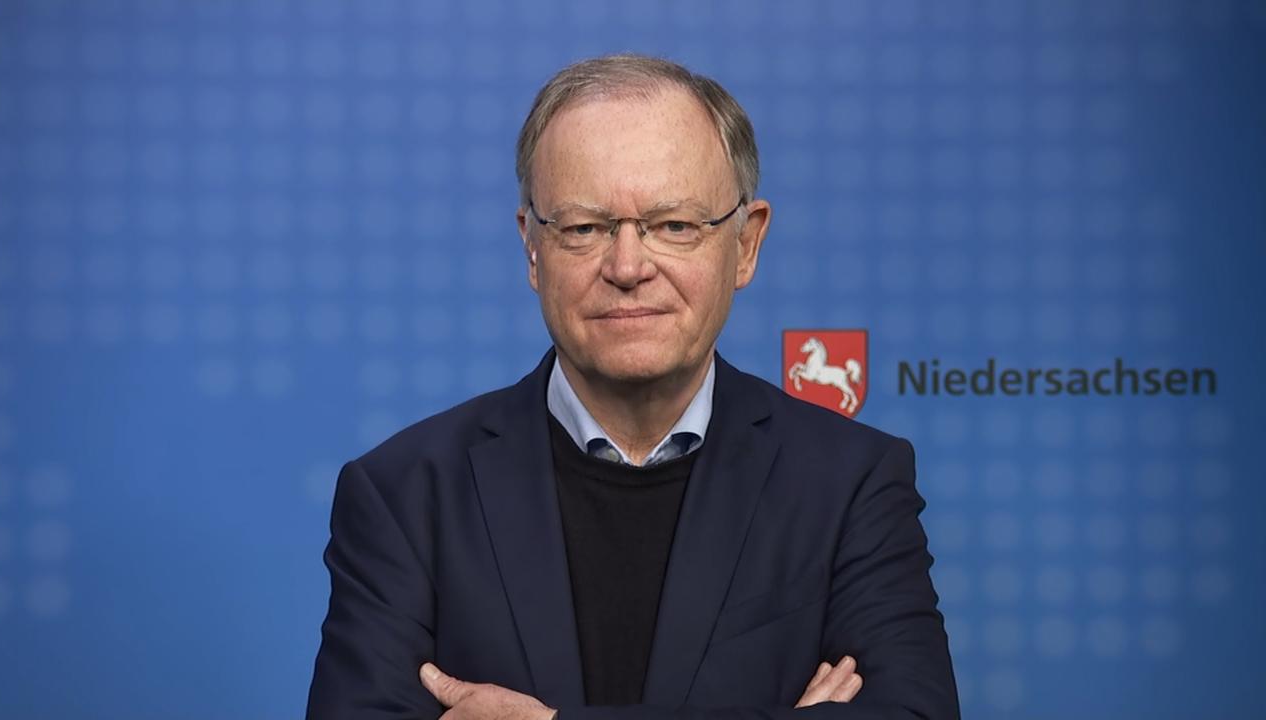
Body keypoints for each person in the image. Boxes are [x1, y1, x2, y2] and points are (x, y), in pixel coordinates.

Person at [306, 54, 958, 720]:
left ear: (746, 245)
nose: (627, 266)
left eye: (674, 225)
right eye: (583, 228)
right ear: (532, 247)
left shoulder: (850, 482)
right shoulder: (404, 494)